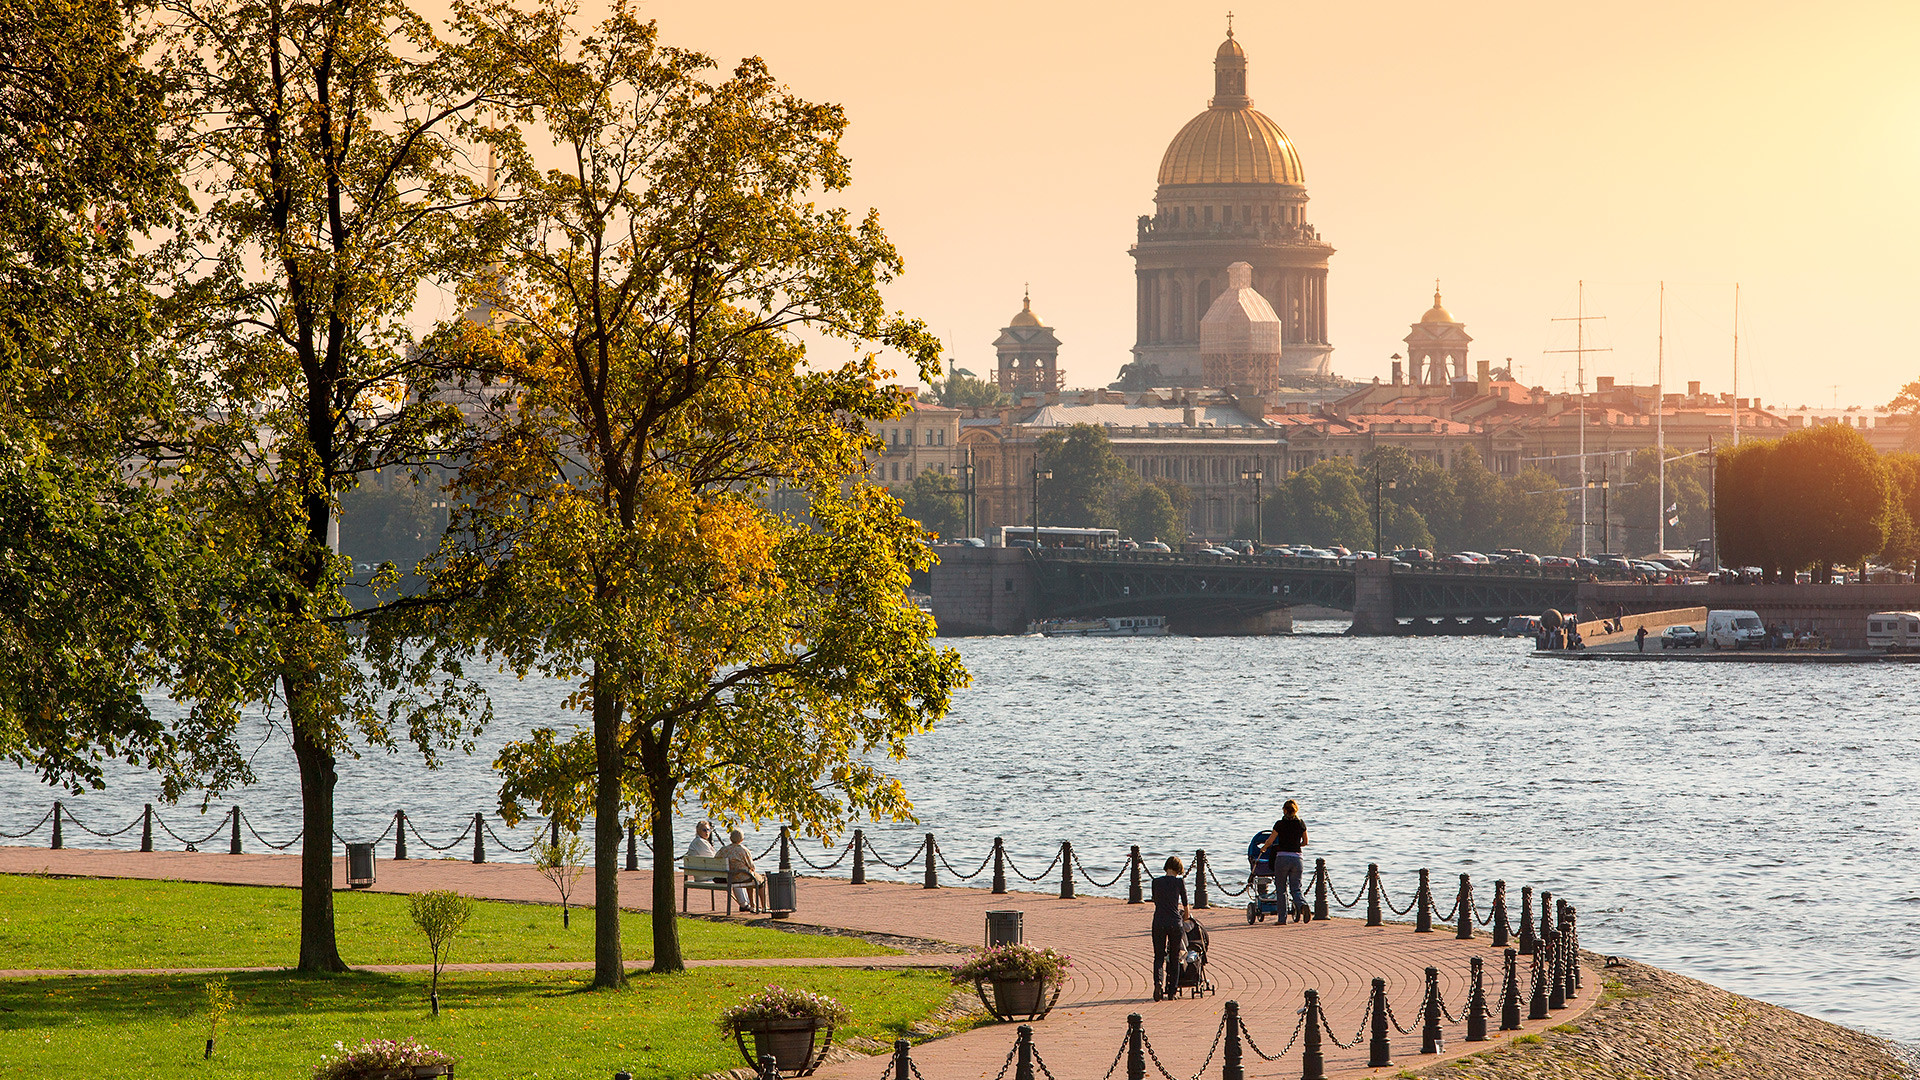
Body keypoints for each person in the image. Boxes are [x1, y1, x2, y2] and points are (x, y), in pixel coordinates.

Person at [1260, 800, 1310, 923]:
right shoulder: (1300, 824)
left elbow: (1270, 840)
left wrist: (1264, 848)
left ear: (1285, 810)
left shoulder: (1279, 824)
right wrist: (1295, 845)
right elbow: (1305, 842)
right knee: (1296, 888)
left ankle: (1282, 919)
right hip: (1297, 859)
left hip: (1282, 858)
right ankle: (1302, 904)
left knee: (1281, 889)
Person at [1149, 855, 1189, 1001]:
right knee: (1174, 956)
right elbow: (1185, 905)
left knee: (1159, 956)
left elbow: (1156, 901)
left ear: (1166, 867)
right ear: (1178, 869)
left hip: (1159, 921)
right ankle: (1172, 992)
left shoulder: (1156, 882)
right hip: (1174, 922)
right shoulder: (1179, 882)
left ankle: (1158, 982)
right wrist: (1185, 918)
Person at [715, 828, 764, 914]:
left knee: (751, 877)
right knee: (760, 880)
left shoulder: (724, 850)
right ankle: (762, 906)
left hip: (729, 877)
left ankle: (753, 905)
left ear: (730, 839)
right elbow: (751, 866)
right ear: (742, 839)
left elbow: (716, 861)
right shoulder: (743, 850)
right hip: (743, 876)